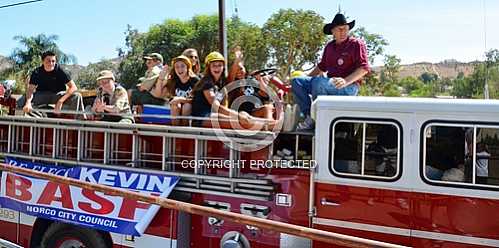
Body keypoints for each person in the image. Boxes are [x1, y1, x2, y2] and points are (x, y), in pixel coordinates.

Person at [292, 12, 370, 130]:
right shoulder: (329, 47)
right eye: (339, 29)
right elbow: (322, 67)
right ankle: (310, 116)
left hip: (349, 87)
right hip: (329, 83)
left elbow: (364, 68)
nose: (343, 32)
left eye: (346, 29)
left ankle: (318, 119)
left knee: (319, 82)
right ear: (332, 31)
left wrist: (345, 81)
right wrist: (306, 79)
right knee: (297, 81)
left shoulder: (356, 44)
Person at [191, 51, 271, 130]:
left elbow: (265, 95)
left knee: (248, 118)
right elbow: (216, 107)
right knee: (241, 122)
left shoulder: (221, 83)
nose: (217, 68)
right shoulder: (207, 82)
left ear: (223, 67)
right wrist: (237, 115)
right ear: (209, 67)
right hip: (202, 117)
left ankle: (272, 126)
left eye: (219, 65)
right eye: (214, 65)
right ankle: (271, 127)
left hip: (214, 115)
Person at [18, 51, 82, 114]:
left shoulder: (60, 70)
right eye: (48, 61)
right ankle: (22, 122)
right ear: (43, 62)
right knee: (22, 100)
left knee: (77, 96)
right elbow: (30, 90)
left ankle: (77, 120)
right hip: (42, 95)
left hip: (57, 95)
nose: (51, 63)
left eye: (53, 61)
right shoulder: (37, 72)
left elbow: (73, 87)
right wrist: (28, 103)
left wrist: (60, 101)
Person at [151, 55, 199, 125]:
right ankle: (176, 133)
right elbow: (158, 94)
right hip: (176, 106)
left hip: (191, 108)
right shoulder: (173, 81)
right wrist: (160, 78)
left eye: (182, 66)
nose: (180, 69)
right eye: (177, 67)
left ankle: (186, 132)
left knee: (186, 106)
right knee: (175, 106)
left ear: (188, 67)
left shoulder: (195, 80)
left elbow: (198, 99)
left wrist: (181, 99)